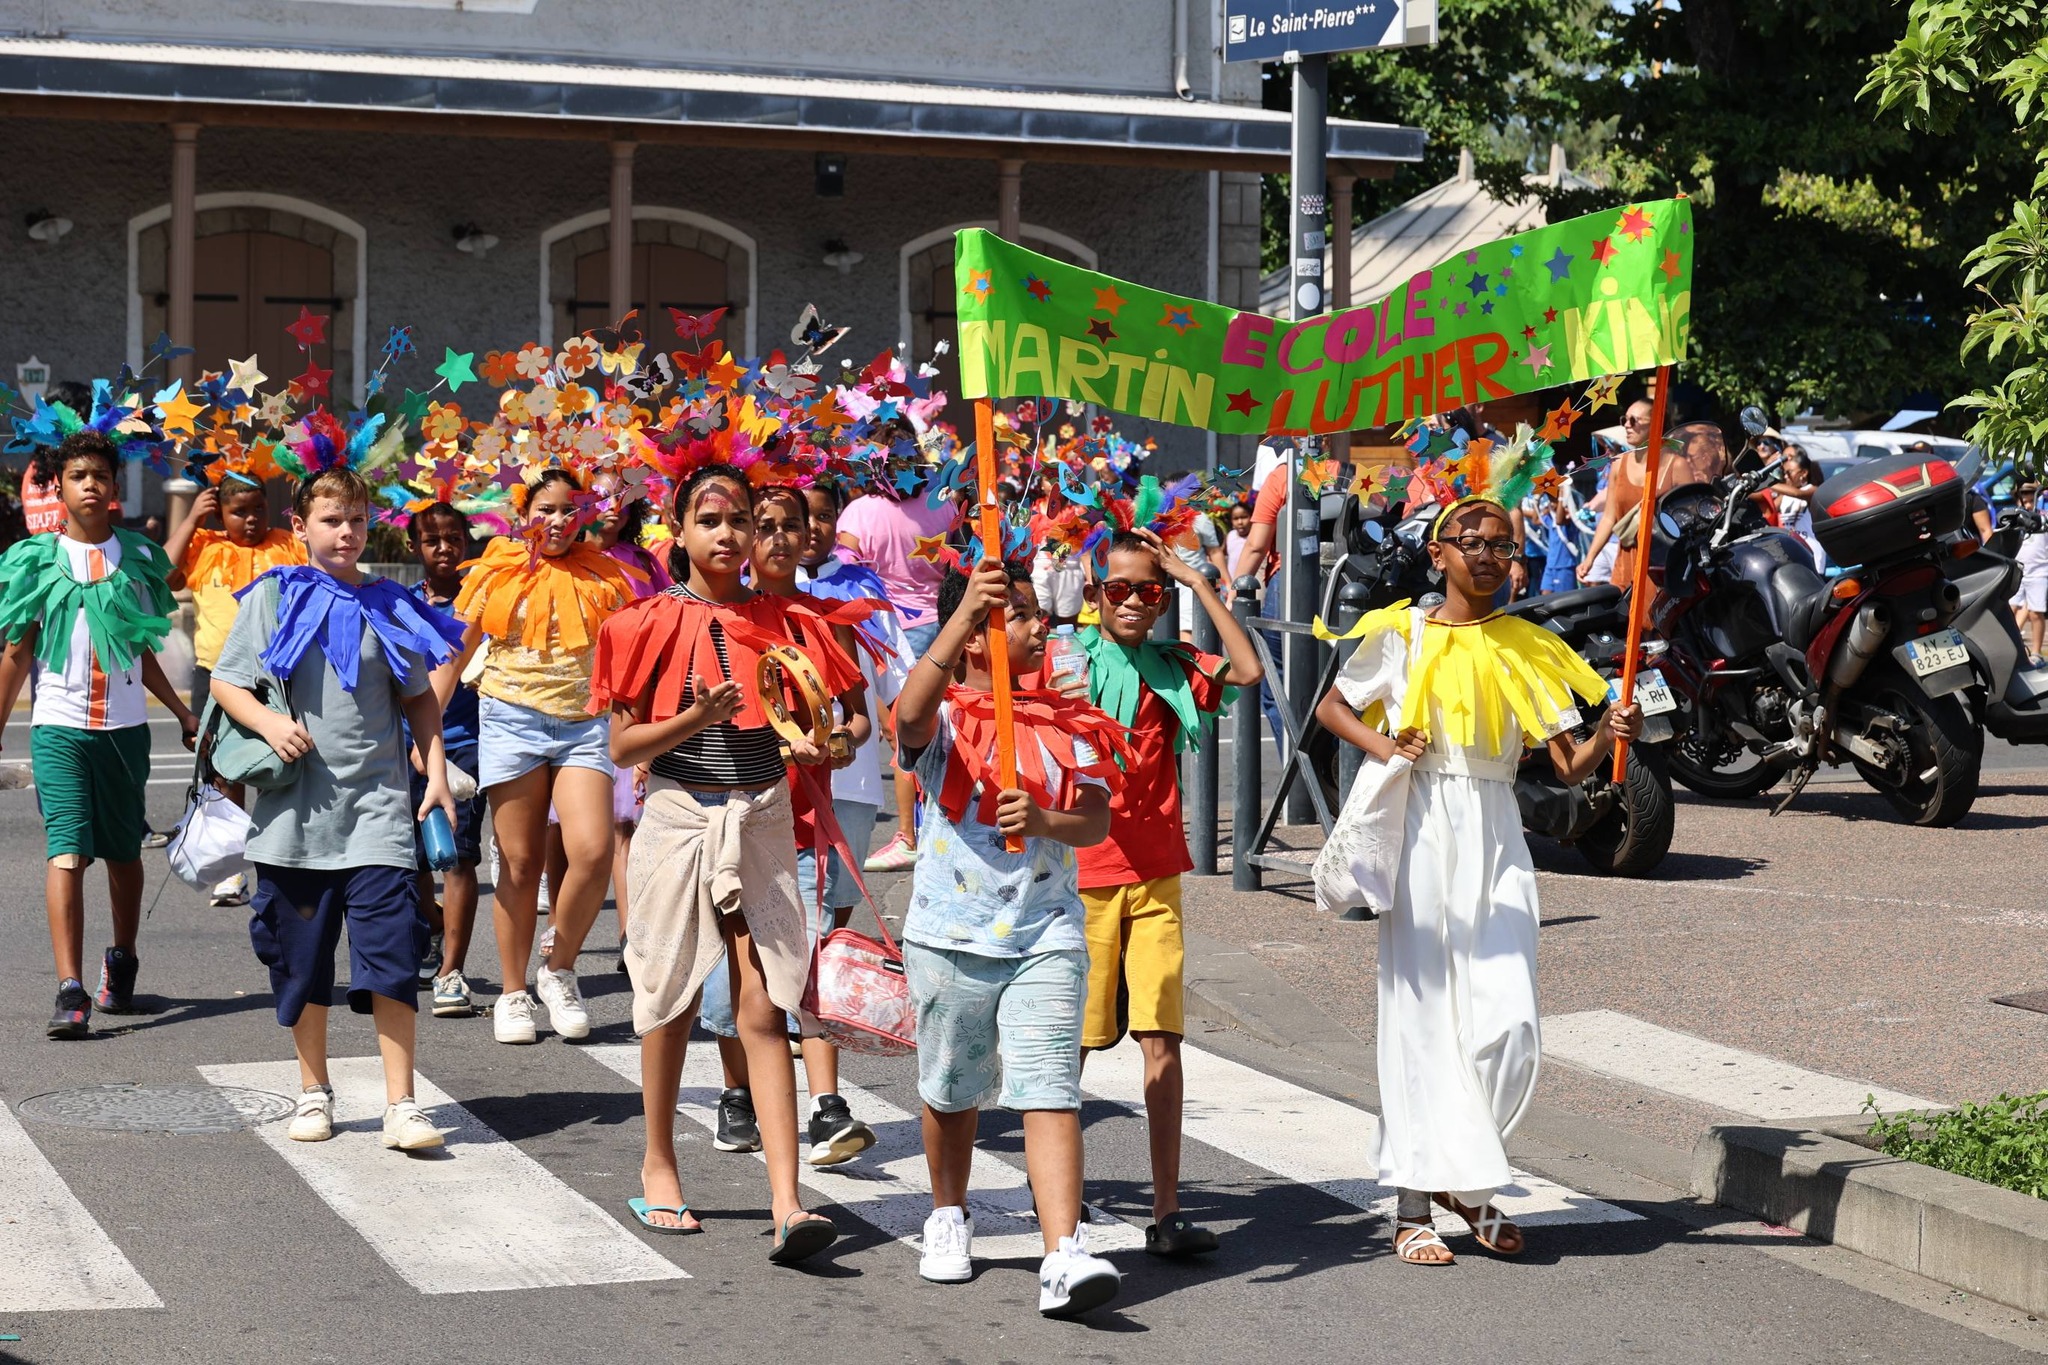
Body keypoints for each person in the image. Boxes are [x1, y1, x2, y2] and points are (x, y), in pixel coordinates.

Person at [1313, 497, 1640, 1266]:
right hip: (1423, 821)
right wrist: (1387, 742)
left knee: (1510, 1023)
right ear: (1439, 555)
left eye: (1503, 544)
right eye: (1472, 542)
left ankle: (1466, 1175)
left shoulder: (1527, 643)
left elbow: (1566, 765)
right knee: (1421, 1018)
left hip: (1496, 831)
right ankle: (1415, 1204)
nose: (1488, 555)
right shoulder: (1403, 632)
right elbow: (1331, 705)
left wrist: (1607, 733)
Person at [595, 462, 853, 1262]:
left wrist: (824, 746)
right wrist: (694, 717)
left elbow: (846, 730)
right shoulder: (642, 624)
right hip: (677, 816)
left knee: (764, 1003)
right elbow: (622, 746)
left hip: (764, 816)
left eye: (741, 518)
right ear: (678, 527)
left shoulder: (795, 620)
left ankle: (788, 1201)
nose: (729, 533)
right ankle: (660, 1163)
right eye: (710, 519)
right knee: (669, 998)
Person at [893, 558, 1134, 1318]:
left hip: (1048, 933)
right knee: (951, 1091)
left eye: (1037, 614)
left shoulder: (1068, 717)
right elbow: (905, 718)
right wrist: (966, 612)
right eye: (1021, 614)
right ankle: (947, 1213)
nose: (1039, 627)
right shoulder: (948, 714)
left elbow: (1093, 819)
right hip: (950, 934)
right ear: (977, 635)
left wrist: (1040, 820)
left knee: (1051, 1091)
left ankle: (1063, 1252)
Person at [210, 462, 464, 1150]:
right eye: (331, 519)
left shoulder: (389, 600)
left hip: (379, 816)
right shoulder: (272, 597)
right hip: (294, 821)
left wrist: (435, 775)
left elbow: (419, 697)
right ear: (299, 527)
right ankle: (313, 1089)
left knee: (391, 957)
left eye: (356, 519)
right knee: (302, 962)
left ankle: (402, 1103)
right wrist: (268, 723)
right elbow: (228, 682)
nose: (346, 531)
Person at [1074, 525, 1262, 1255]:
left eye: (1145, 591)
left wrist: (1198, 580)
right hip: (1084, 880)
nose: (1131, 601)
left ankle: (1167, 1209)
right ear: (1096, 595)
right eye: (1117, 588)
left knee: (1163, 1041)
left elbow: (1245, 670)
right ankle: (1055, 1185)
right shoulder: (1069, 661)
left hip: (1155, 878)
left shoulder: (1173, 664)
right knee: (1075, 1045)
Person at [695, 483, 881, 1167]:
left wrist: (839, 743)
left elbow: (859, 717)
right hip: (727, 822)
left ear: (810, 536)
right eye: (762, 524)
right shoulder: (721, 618)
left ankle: (827, 1105)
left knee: (807, 957)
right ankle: (736, 1090)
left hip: (806, 820)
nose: (774, 537)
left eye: (788, 526)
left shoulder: (825, 621)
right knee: (730, 970)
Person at [0, 429, 197, 1037]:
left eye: (100, 477)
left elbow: (140, 649)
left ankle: (123, 956)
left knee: (121, 852)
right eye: (78, 476)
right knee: (66, 849)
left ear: (114, 488)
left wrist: (185, 714)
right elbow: (16, 653)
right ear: (57, 486)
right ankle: (70, 988)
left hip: (125, 730)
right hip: (57, 728)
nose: (90, 485)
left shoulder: (137, 558)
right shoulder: (35, 559)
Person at [448, 468, 640, 1045]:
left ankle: (558, 969)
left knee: (592, 850)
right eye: (545, 508)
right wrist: (423, 734)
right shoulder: (494, 570)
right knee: (520, 863)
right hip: (511, 719)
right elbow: (454, 653)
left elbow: (627, 664)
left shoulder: (606, 574)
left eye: (568, 509)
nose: (557, 520)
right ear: (521, 511)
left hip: (583, 724)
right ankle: (512, 994)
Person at [164, 470, 306, 907]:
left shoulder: (284, 543)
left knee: (278, 765)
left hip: (277, 675)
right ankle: (233, 867)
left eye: (257, 509)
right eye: (237, 511)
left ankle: (280, 858)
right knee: (224, 768)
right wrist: (190, 519)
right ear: (219, 512)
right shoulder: (206, 546)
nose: (249, 519)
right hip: (217, 673)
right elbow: (164, 575)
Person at [839, 431, 960, 872]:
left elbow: (841, 577)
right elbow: (957, 562)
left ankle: (909, 834)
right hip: (942, 626)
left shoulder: (859, 513)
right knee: (941, 727)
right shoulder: (940, 503)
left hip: (886, 630)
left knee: (903, 731)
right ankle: (941, 820)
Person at [406, 503, 486, 1017]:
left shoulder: (483, 600)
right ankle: (433, 924)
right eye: (432, 539)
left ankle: (451, 972)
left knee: (456, 856)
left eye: (453, 537)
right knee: (409, 859)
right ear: (415, 547)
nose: (444, 548)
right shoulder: (399, 603)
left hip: (465, 743)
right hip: (407, 746)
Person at [586, 473, 669, 963]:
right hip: (578, 707)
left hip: (633, 706)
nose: (611, 504)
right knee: (589, 836)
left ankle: (632, 935)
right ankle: (566, 935)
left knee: (631, 826)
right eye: (597, 494)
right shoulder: (567, 559)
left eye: (620, 492)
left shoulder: (643, 562)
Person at [1223, 501, 1252, 582]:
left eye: (1244, 517)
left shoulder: (1254, 537)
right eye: (1236, 518)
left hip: (1249, 583)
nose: (1240, 522)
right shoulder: (1230, 536)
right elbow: (1222, 555)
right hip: (1232, 583)